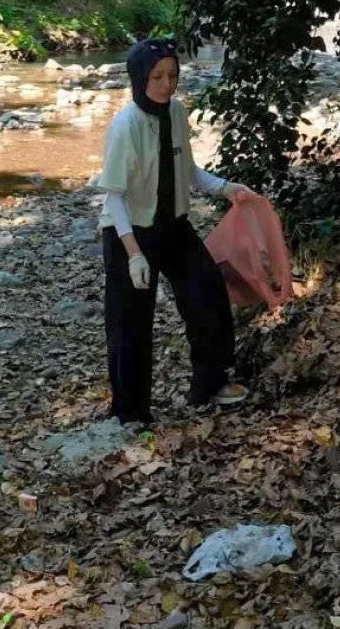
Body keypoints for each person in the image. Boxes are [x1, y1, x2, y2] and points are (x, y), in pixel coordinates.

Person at [93, 37, 251, 427]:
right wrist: (133, 254)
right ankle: (131, 412)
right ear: (139, 78)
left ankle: (209, 382)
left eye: (173, 75)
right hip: (128, 232)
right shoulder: (125, 125)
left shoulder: (176, 113)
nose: (167, 85)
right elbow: (113, 198)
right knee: (130, 324)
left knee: (206, 290)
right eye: (157, 76)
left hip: (173, 225)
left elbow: (189, 170)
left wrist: (226, 188)